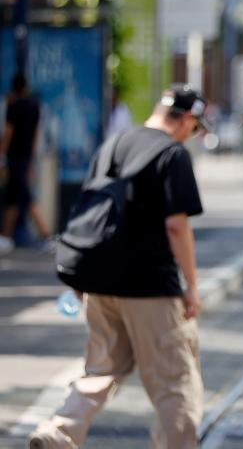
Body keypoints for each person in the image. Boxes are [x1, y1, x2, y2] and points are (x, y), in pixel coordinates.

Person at [28, 85, 210, 449]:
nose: (193, 135)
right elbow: (176, 225)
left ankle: (59, 432)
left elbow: (88, 212)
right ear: (187, 120)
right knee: (174, 383)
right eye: (195, 128)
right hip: (150, 287)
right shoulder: (171, 155)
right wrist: (191, 285)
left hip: (100, 283)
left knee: (100, 369)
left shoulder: (112, 145)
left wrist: (83, 278)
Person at [0, 72, 52, 254]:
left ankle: (46, 235)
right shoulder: (35, 106)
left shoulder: (13, 106)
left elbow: (8, 133)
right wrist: (31, 157)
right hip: (26, 156)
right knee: (12, 198)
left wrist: (1, 155)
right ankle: (5, 237)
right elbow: (36, 134)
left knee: (25, 195)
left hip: (14, 158)